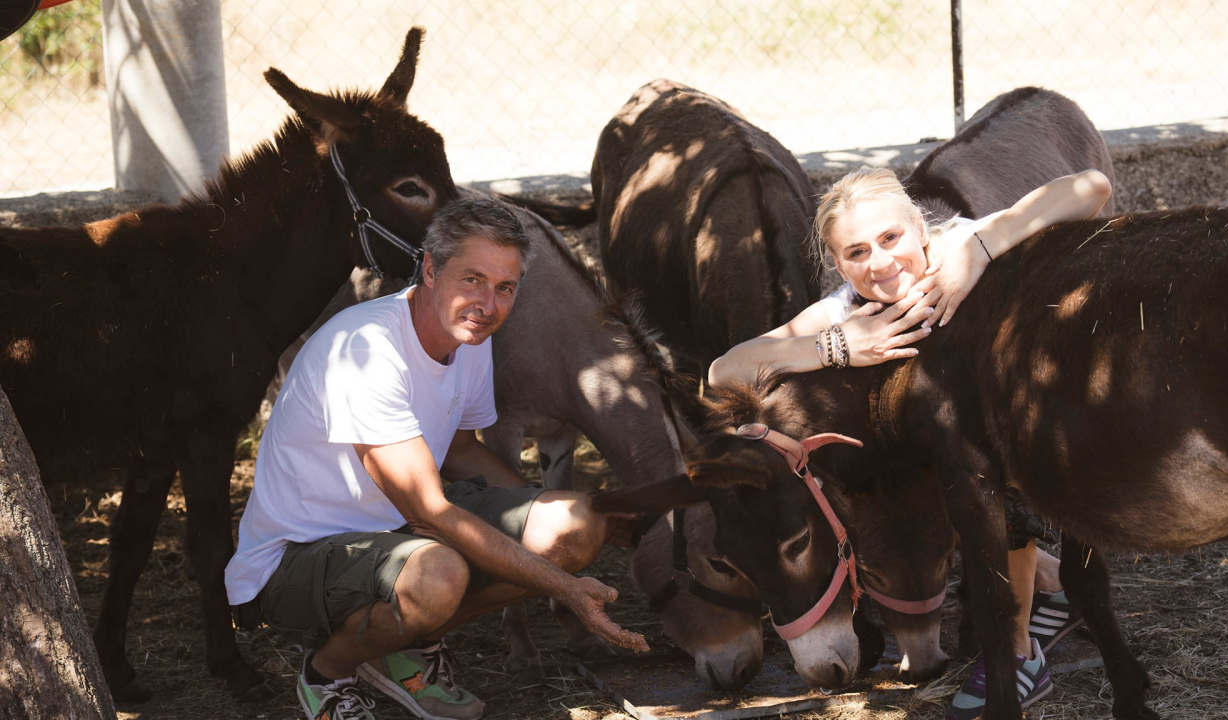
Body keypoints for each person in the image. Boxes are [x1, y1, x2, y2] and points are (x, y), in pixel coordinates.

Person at [708, 166, 1112, 720]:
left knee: (987, 473)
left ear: (921, 230)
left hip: (1042, 423)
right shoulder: (845, 307)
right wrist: (836, 345)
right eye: (856, 252)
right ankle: (1054, 584)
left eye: (890, 237)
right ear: (838, 264)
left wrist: (980, 252)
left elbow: (1092, 188)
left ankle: (1020, 654)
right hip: (950, 445)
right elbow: (722, 372)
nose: (879, 262)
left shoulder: (958, 246)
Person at [224, 195, 647, 720]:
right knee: (438, 576)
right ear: (429, 269)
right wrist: (565, 588)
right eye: (472, 279)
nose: (487, 304)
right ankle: (329, 670)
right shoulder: (368, 349)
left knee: (576, 525)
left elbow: (462, 451)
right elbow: (430, 511)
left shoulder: (469, 337)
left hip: (395, 531)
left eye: (505, 287)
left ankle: (400, 644)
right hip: (297, 556)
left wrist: (552, 511)